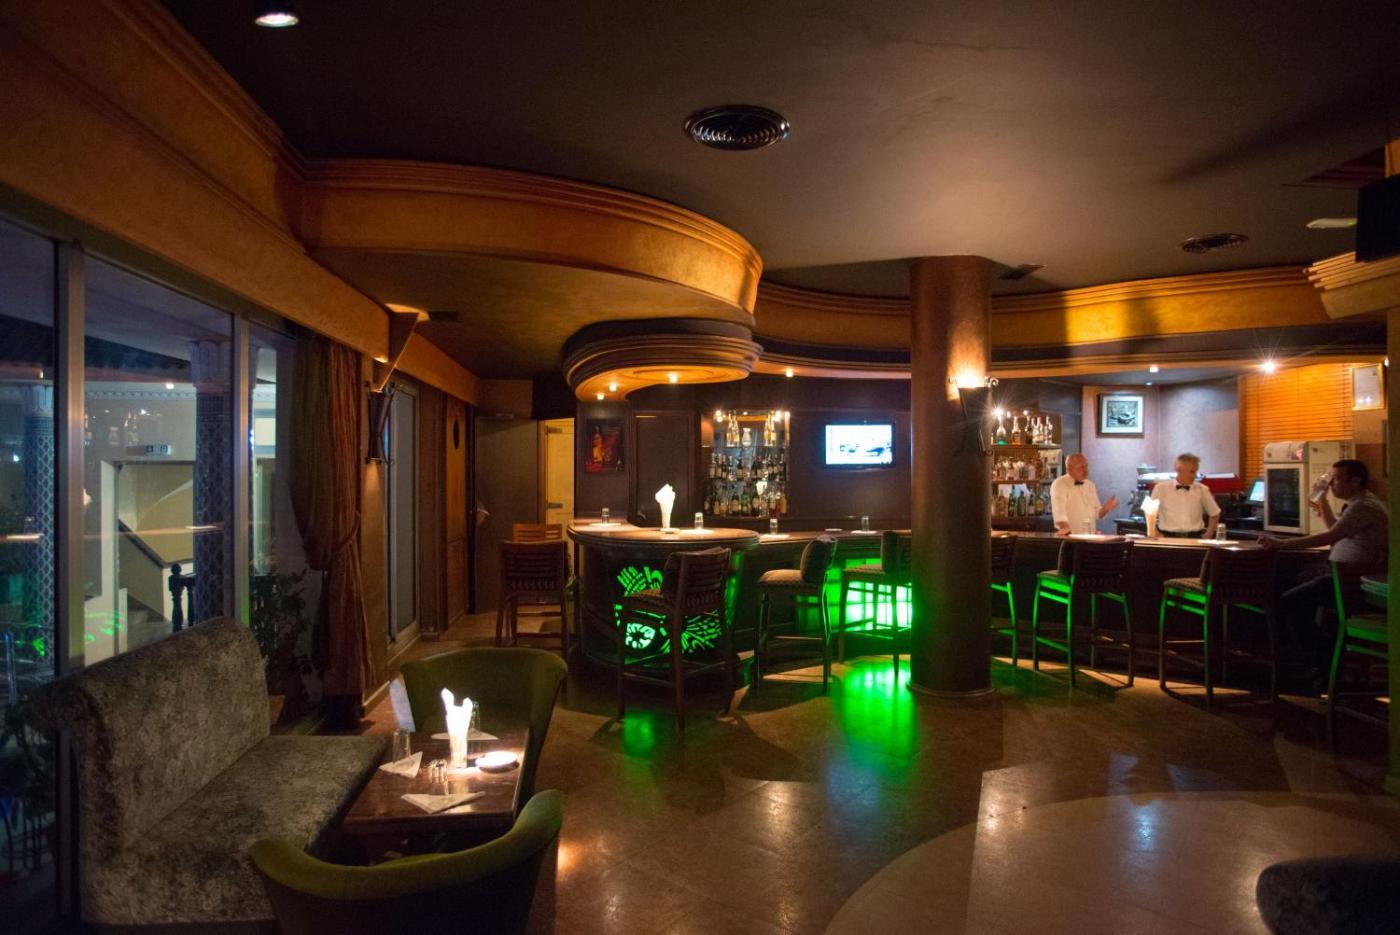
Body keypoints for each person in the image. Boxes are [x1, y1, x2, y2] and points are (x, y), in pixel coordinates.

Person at [1259, 458, 1388, 677]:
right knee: (1288, 583)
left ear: (1355, 481)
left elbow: (1331, 536)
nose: (1331, 484)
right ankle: (1308, 659)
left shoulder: (1364, 506)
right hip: (1339, 573)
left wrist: (1282, 544)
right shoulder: (1358, 503)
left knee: (1290, 601)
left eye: (1336, 479)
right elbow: (1334, 528)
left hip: (1350, 580)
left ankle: (1323, 660)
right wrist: (1323, 500)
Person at [1149, 452, 1221, 538]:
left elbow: (1215, 513)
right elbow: (1149, 513)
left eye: (1196, 471)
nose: (1195, 475)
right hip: (1167, 537)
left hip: (1194, 537)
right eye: (1192, 471)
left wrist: (1208, 534)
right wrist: (1155, 532)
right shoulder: (1161, 488)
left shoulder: (1202, 490)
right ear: (1179, 469)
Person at [1050, 452, 1120, 536]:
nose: (1085, 470)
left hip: (1090, 537)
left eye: (1086, 466)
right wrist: (1066, 530)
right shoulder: (1060, 484)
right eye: (1081, 467)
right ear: (1069, 469)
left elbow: (1097, 514)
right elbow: (1059, 513)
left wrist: (1106, 508)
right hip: (1070, 537)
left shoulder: (1090, 485)